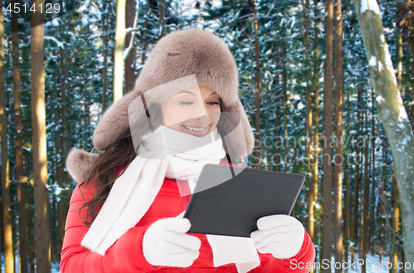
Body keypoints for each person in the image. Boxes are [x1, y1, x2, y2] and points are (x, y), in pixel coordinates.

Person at [61, 28, 315, 273]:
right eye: (185, 100)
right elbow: (72, 266)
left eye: (212, 102)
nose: (202, 115)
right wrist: (140, 250)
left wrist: (297, 253)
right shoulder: (103, 182)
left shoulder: (240, 183)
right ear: (155, 105)